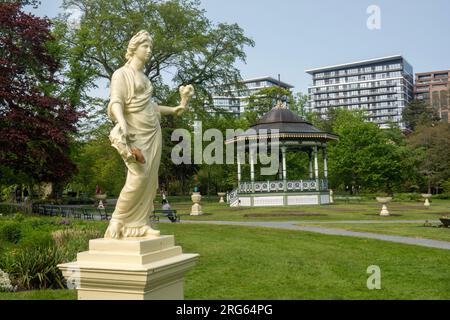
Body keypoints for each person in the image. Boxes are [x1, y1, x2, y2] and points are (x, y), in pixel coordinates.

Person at [104, 30, 194, 239]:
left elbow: (151, 106)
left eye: (150, 47)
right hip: (134, 133)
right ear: (134, 48)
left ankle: (140, 223)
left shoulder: (144, 77)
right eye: (146, 46)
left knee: (151, 181)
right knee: (139, 177)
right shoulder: (121, 74)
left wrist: (175, 108)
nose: (149, 50)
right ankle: (117, 220)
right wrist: (122, 122)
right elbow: (116, 101)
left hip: (153, 131)